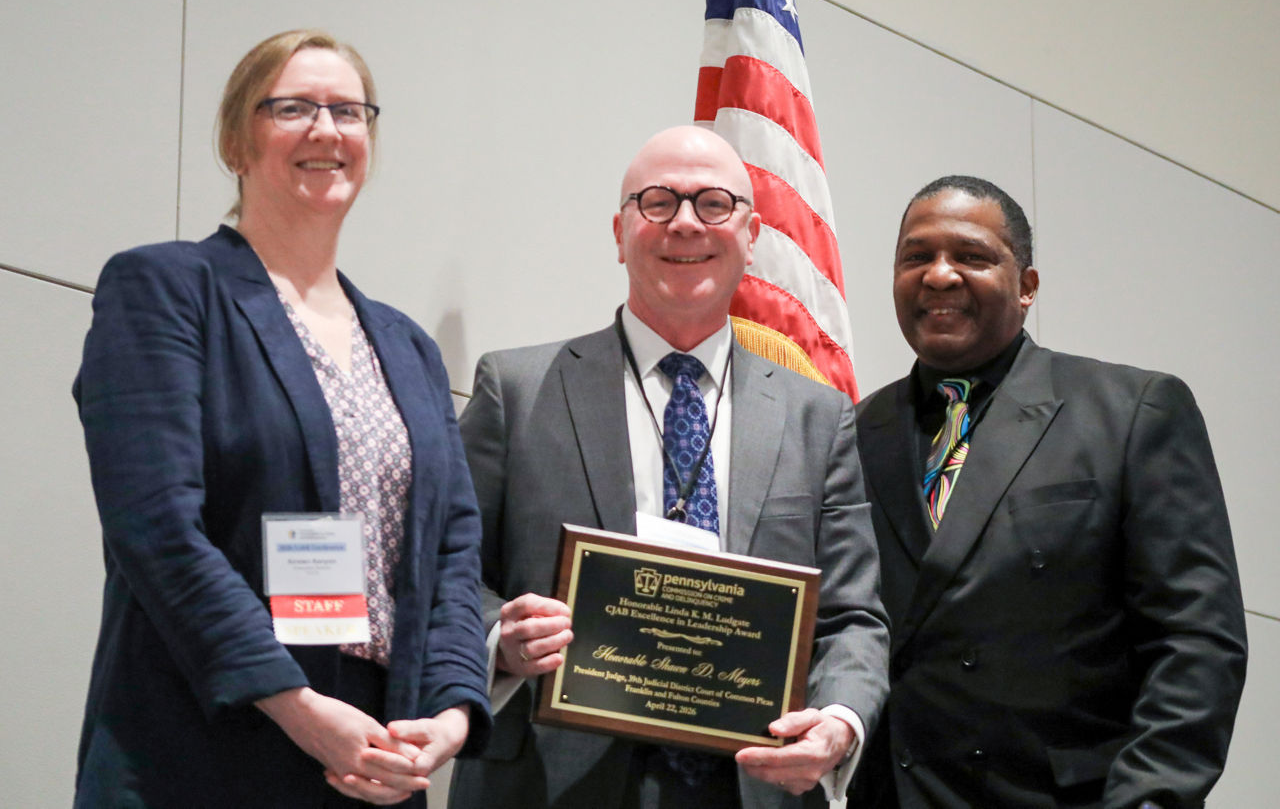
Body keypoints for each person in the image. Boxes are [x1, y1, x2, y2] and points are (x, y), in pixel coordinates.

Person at [72, 29, 491, 808]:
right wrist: (294, 704)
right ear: (237, 139)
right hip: (201, 748)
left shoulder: (409, 348)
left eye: (349, 111)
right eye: (293, 107)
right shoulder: (166, 289)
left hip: (374, 760)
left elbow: (454, 553)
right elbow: (155, 527)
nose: (326, 130)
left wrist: (451, 712)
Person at [447, 125, 890, 809]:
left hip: (752, 785)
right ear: (620, 232)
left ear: (752, 233)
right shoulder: (516, 389)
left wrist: (837, 722)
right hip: (550, 784)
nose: (685, 223)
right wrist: (500, 636)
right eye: (657, 202)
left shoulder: (818, 417)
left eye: (714, 203)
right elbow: (446, 573)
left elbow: (852, 618)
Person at [850, 175, 1248, 808]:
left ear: (1027, 286)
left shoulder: (1131, 411)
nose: (940, 275)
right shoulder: (850, 435)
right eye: (916, 257)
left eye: (971, 256)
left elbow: (1195, 640)